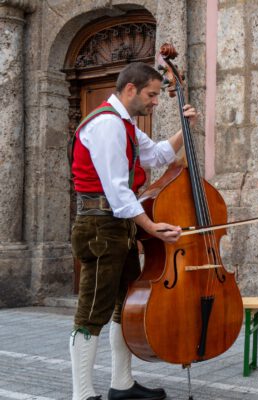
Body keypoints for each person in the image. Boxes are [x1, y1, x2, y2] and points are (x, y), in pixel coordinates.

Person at [69, 62, 197, 400]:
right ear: (130, 90)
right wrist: (151, 227)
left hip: (116, 225)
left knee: (123, 306)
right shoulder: (107, 124)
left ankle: (122, 384)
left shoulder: (124, 123)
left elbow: (156, 155)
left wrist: (185, 128)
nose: (155, 101)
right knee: (92, 311)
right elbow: (117, 189)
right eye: (151, 95)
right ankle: (82, 394)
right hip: (99, 225)